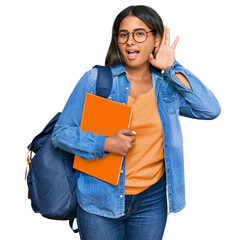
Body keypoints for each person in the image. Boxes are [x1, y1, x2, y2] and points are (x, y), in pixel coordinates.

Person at [51, 5, 221, 240]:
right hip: (100, 199)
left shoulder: (166, 89)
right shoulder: (97, 81)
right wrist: (104, 143)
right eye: (124, 34)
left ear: (156, 39)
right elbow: (61, 133)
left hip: (151, 201)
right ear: (116, 40)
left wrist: (172, 67)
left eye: (140, 34)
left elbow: (210, 109)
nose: (130, 41)